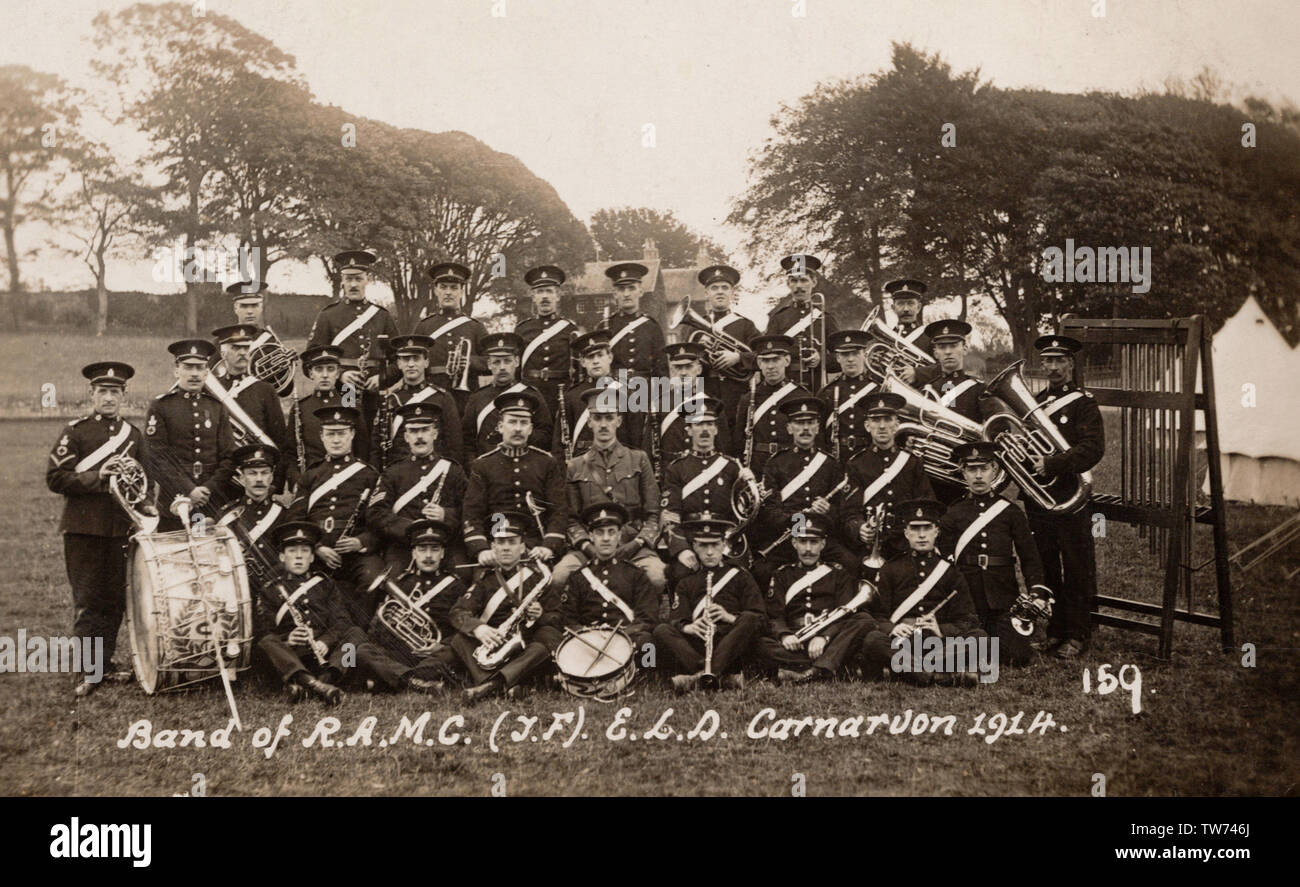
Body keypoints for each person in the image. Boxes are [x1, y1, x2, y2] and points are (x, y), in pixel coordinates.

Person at [46, 361, 150, 696]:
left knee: (115, 601)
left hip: (121, 529)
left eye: (114, 392)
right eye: (102, 391)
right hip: (84, 529)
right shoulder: (75, 432)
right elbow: (56, 477)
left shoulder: (133, 436)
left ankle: (102, 665)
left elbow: (144, 481)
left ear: (124, 395)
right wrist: (98, 477)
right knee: (89, 600)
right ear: (91, 394)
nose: (108, 397)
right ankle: (87, 670)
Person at [1024, 334, 1104, 659]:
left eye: (1060, 361)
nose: (1054, 367)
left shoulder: (1084, 403)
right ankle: (1054, 630)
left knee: (1075, 564)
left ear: (1071, 364)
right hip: (1039, 497)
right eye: (1048, 361)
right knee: (1046, 565)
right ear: (1042, 364)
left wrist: (1053, 463)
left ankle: (1077, 633)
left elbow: (1093, 449)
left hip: (1071, 496)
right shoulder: (1035, 402)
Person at [939, 442, 1053, 667]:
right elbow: (944, 560)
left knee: (1017, 657)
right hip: (968, 597)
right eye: (972, 470)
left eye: (984, 469)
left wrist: (1037, 591)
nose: (979, 476)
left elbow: (1029, 556)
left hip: (1002, 596)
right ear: (963, 472)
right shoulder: (953, 513)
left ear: (995, 470)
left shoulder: (1010, 512)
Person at [555, 385, 665, 594]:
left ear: (619, 421)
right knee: (559, 576)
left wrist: (637, 543)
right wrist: (587, 546)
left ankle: (646, 623)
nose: (603, 425)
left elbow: (654, 513)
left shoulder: (638, 459)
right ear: (589, 422)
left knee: (657, 576)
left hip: (632, 542)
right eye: (597, 418)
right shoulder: (575, 466)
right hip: (591, 544)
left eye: (609, 417)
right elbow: (571, 519)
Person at [859, 499, 984, 685]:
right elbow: (877, 615)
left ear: (937, 531)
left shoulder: (951, 571)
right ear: (906, 533)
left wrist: (940, 629)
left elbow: (968, 619)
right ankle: (936, 676)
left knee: (981, 638)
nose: (921, 535)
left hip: (938, 645)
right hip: (904, 644)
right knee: (873, 640)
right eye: (915, 529)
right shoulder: (891, 568)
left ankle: (912, 671)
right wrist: (893, 628)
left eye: (927, 528)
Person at [450, 511, 564, 702]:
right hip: (494, 644)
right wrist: (479, 628)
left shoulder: (538, 577)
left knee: (542, 647)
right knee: (458, 640)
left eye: (512, 542)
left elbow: (558, 616)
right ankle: (508, 684)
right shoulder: (484, 580)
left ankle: (489, 686)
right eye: (501, 543)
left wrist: (540, 615)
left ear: (522, 547)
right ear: (493, 547)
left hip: (524, 647)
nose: (506, 548)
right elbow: (457, 612)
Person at [754, 512, 874, 683]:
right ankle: (830, 665)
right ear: (794, 543)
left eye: (814, 542)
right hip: (796, 643)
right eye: (803, 541)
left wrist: (824, 637)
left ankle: (813, 670)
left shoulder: (838, 574)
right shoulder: (782, 575)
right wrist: (785, 635)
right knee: (760, 642)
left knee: (864, 620)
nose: (808, 549)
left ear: (823, 544)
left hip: (828, 642)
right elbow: (774, 615)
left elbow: (844, 614)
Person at [287, 406, 383, 621]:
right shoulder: (310, 476)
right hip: (318, 554)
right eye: (331, 434)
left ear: (352, 434)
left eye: (341, 433)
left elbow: (379, 520)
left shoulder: (369, 475)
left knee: (373, 577)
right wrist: (316, 547)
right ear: (321, 437)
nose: (336, 440)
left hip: (356, 555)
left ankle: (359, 634)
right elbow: (295, 519)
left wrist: (361, 542)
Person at [651, 514, 765, 692]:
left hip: (731, 641)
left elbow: (759, 619)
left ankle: (699, 677)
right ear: (694, 546)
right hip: (698, 644)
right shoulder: (686, 582)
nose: (710, 552)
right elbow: (677, 619)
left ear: (724, 545)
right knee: (661, 630)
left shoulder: (741, 576)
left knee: (749, 619)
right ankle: (719, 676)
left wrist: (729, 618)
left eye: (715, 545)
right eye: (703, 545)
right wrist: (690, 627)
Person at [256, 521, 366, 705]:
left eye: (305, 551)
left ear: (313, 558)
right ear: (282, 557)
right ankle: (316, 686)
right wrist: (288, 639)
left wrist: (325, 642)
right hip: (290, 657)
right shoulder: (270, 588)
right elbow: (263, 629)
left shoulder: (326, 584)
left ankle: (320, 682)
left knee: (355, 635)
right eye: (292, 551)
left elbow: (342, 621)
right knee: (266, 642)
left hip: (325, 657)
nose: (299, 557)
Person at [752, 396, 854, 587]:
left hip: (820, 536)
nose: (805, 429)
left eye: (810, 423)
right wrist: (797, 520)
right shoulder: (775, 463)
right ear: (789, 428)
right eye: (799, 423)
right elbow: (769, 512)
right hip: (788, 536)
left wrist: (827, 510)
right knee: (761, 570)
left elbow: (843, 512)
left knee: (851, 563)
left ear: (817, 427)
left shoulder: (830, 464)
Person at [357, 519, 467, 694]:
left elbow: (463, 626)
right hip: (403, 653)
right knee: (362, 650)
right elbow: (376, 633)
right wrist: (385, 621)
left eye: (435, 549)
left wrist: (441, 646)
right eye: (422, 549)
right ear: (414, 553)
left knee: (453, 655)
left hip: (436, 654)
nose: (428, 555)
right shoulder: (400, 584)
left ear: (443, 553)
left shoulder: (456, 587)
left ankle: (394, 680)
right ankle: (416, 682)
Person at [462, 390, 568, 567]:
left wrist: (549, 546)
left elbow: (559, 510)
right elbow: (472, 514)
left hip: (536, 548)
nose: (518, 428)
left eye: (524, 423)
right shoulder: (483, 465)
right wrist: (481, 549)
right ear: (500, 426)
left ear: (531, 429)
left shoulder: (546, 463)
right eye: (512, 422)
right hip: (496, 548)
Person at [141, 339, 236, 529]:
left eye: (199, 367)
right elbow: (156, 457)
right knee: (174, 555)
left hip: (209, 503)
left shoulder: (216, 407)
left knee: (206, 553)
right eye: (188, 367)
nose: (194, 373)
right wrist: (188, 489)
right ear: (176, 370)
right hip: (173, 502)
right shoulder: (161, 406)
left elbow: (229, 457)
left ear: (207, 372)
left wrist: (208, 489)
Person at [369, 401, 468, 573]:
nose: (419, 436)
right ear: (406, 436)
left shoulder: (453, 470)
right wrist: (408, 528)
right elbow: (376, 512)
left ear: (435, 434)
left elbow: (470, 511)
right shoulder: (393, 472)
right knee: (392, 578)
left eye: (425, 430)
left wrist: (446, 515)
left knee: (462, 574)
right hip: (404, 546)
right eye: (413, 431)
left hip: (445, 546)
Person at [842, 392, 934, 570]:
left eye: (888, 419)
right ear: (867, 426)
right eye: (876, 420)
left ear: (897, 425)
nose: (882, 426)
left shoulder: (911, 462)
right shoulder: (856, 464)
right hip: (868, 549)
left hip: (905, 546)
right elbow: (848, 513)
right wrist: (859, 528)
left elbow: (926, 504)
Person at [659, 395, 746, 579]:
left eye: (709, 424)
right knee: (681, 572)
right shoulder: (677, 468)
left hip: (724, 540)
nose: (704, 430)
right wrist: (681, 550)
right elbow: (670, 517)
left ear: (716, 429)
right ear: (689, 430)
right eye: (698, 424)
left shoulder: (731, 467)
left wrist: (747, 484)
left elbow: (742, 514)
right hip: (691, 540)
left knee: (738, 574)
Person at [559, 502, 659, 659]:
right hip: (589, 641)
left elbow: (647, 617)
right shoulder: (578, 577)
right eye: (600, 533)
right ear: (591, 536)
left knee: (648, 643)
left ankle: (648, 673)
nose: (606, 538)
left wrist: (621, 635)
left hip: (625, 637)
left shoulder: (635, 574)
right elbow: (568, 617)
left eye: (611, 532)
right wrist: (588, 636)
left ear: (619, 536)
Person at [914, 319, 992, 505]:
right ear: (935, 352)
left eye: (953, 345)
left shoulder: (980, 389)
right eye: (942, 347)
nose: (948, 352)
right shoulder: (925, 391)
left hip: (969, 476)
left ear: (964, 348)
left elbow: (996, 429)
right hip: (933, 476)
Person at [209, 323, 291, 497]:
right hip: (218, 482)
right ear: (223, 353)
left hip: (256, 484)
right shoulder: (211, 390)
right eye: (235, 348)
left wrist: (275, 485)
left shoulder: (265, 390)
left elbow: (280, 442)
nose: (242, 352)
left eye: (246, 347)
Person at [306, 249, 400, 394]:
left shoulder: (382, 316)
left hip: (374, 392)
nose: (353, 284)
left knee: (374, 417)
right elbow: (310, 359)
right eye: (349, 279)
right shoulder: (328, 315)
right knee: (347, 415)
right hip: (343, 390)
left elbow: (399, 359)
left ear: (367, 279)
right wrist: (340, 375)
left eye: (358, 279)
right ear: (342, 281)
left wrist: (382, 377)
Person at [216, 444, 289, 629]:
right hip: (235, 594)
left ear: (272, 477)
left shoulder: (284, 516)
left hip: (274, 596)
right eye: (252, 473)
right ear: (241, 477)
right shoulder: (226, 516)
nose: (259, 479)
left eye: (264, 473)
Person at [369, 334, 464, 468]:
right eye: (406, 359)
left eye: (416, 359)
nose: (411, 364)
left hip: (433, 472)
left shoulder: (443, 398)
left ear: (426, 362)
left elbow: (454, 445)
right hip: (397, 474)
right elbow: (376, 446)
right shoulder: (389, 399)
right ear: (399, 364)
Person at [461, 332, 554, 458]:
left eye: (507, 361)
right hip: (487, 469)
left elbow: (545, 434)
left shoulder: (532, 395)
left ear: (516, 361)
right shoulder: (477, 398)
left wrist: (516, 435)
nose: (502, 367)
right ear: (489, 364)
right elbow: (467, 440)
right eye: (496, 362)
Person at [730, 334, 811, 475]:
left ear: (787, 360)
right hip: (758, 466)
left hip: (791, 466)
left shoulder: (801, 396)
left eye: (776, 360)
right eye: (766, 361)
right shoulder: (748, 399)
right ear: (759, 364)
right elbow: (739, 441)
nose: (771, 366)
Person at [412, 261, 489, 408]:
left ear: (461, 291)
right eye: (443, 287)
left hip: (466, 396)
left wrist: (470, 362)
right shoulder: (424, 326)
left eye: (454, 288)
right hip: (431, 392)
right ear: (435, 290)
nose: (448, 292)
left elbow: (491, 360)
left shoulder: (475, 327)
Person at [555, 329, 644, 456]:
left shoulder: (627, 393)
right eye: (590, 357)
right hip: (582, 466)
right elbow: (559, 444)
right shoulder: (571, 396)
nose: (595, 361)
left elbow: (636, 440)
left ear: (610, 357)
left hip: (619, 463)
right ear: (583, 362)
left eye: (600, 355)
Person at [516, 264, 582, 426]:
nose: (544, 296)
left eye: (549, 291)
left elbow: (578, 368)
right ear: (533, 296)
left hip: (560, 392)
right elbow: (516, 368)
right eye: (540, 292)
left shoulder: (569, 329)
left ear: (558, 296)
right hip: (531, 392)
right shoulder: (522, 329)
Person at [766, 254, 839, 391]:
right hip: (784, 386)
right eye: (794, 281)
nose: (799, 286)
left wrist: (821, 360)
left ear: (814, 282)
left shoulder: (826, 318)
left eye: (804, 280)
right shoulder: (778, 318)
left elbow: (841, 356)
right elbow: (767, 354)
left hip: (816, 386)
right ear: (788, 284)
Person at [653, 341, 733, 463]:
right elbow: (650, 448)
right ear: (672, 370)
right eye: (678, 367)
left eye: (689, 366)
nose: (683, 372)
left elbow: (724, 448)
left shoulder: (712, 404)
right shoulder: (658, 404)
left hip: (703, 473)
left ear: (699, 369)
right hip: (670, 473)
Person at [294, 344, 371, 470]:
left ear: (338, 373)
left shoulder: (349, 401)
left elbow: (363, 448)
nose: (325, 375)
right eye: (319, 369)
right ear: (311, 373)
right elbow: (290, 452)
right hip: (312, 477)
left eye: (330, 369)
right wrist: (296, 481)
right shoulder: (301, 407)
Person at [696, 263, 758, 406]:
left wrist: (739, 357)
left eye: (725, 288)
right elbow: (684, 361)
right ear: (706, 293)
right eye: (714, 288)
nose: (720, 292)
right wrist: (698, 350)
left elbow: (762, 354)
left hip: (736, 392)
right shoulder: (695, 327)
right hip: (704, 392)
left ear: (732, 292)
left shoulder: (745, 325)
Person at [223, 279, 295, 397]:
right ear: (235, 308)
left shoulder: (269, 340)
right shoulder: (222, 340)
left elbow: (285, 391)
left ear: (261, 307)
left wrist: (285, 365)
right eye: (244, 306)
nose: (250, 311)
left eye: (255, 305)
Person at [817, 329, 880, 460]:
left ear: (864, 355)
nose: (850, 359)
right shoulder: (827, 392)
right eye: (845, 354)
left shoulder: (878, 390)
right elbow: (819, 433)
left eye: (856, 353)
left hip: (869, 458)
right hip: (837, 459)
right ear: (838, 358)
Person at [602, 262, 667, 381]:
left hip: (646, 391)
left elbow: (661, 368)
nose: (626, 294)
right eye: (621, 289)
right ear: (615, 294)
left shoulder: (651, 326)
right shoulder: (605, 326)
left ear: (640, 292)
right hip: (613, 391)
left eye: (632, 288)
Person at [882, 278, 931, 382]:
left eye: (910, 303)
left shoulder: (929, 337)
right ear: (893, 307)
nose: (906, 309)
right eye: (900, 303)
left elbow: (942, 368)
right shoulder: (885, 339)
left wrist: (917, 373)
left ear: (919, 307)